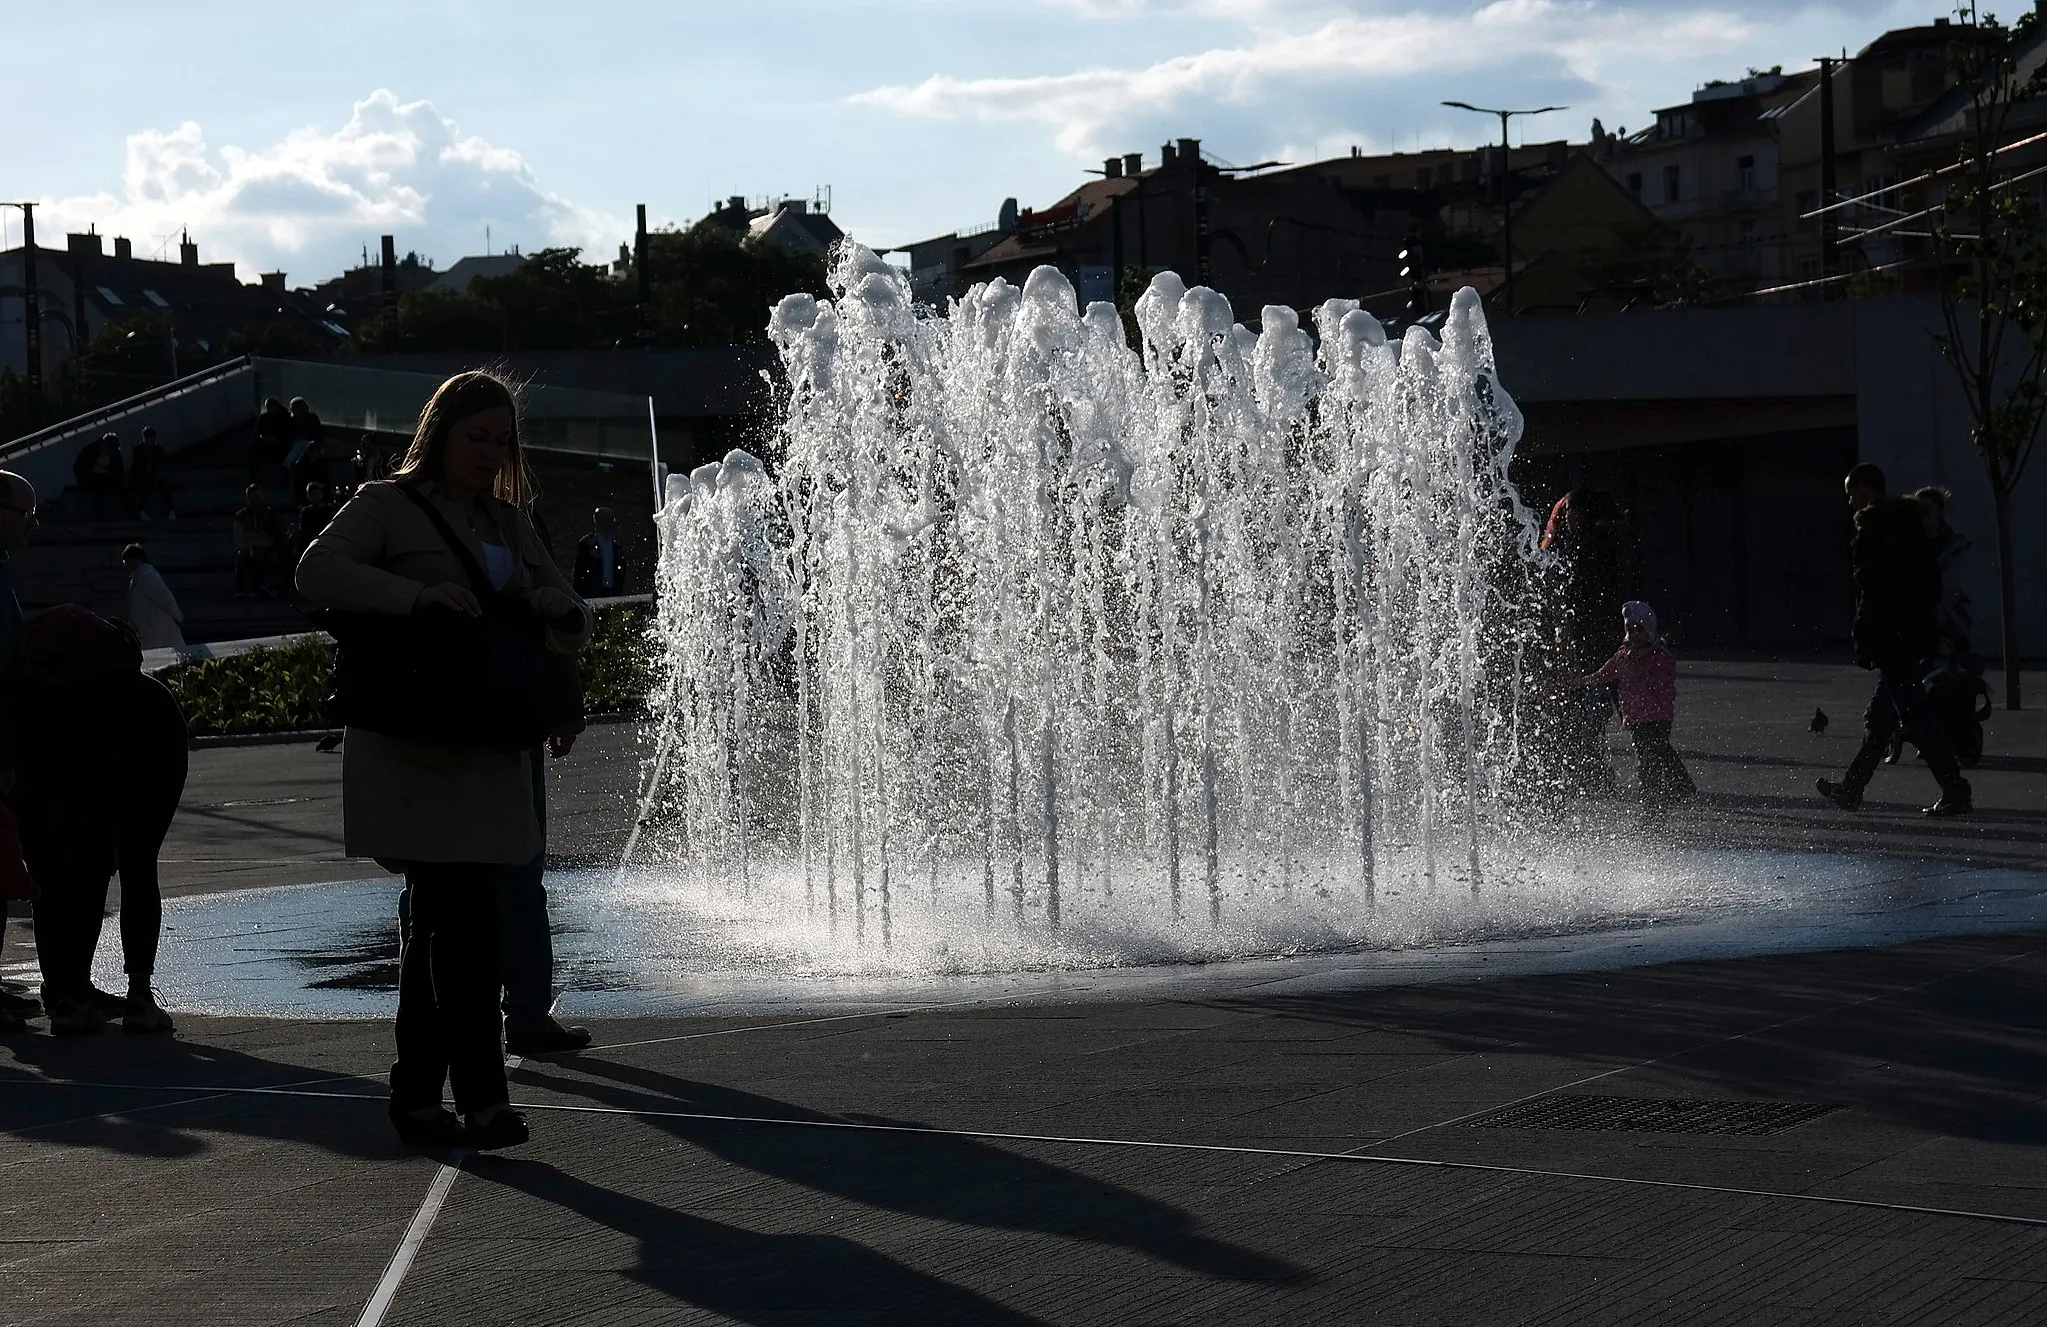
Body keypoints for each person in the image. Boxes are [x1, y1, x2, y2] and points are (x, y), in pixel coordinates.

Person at [297, 369, 593, 1151]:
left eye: (503, 440)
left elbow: (563, 610)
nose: (492, 453)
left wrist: (562, 625)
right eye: (477, 437)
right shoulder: (384, 505)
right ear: (439, 432)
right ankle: (483, 1100)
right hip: (414, 742)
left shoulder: (509, 520)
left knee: (444, 923)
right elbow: (316, 572)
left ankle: (418, 1098)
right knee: (462, 921)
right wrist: (415, 597)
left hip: (489, 739)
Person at [0, 473, 188, 1037]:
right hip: (61, 743)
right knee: (122, 866)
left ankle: (69, 993)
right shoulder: (142, 705)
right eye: (26, 510)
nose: (35, 520)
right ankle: (133, 993)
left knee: (58, 868)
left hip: (45, 743)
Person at [1817, 463, 1972, 817]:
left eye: (1851, 493)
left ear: (1865, 490)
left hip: (1891, 638)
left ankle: (1955, 790)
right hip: (1908, 634)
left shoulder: (1875, 527)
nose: (1850, 502)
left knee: (1914, 716)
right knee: (1882, 715)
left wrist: (1864, 636)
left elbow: (1871, 589)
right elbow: (1926, 582)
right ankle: (1852, 788)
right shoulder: (1909, 527)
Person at [1583, 601, 1694, 811]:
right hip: (1635, 718)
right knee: (1657, 754)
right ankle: (1676, 788)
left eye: (1639, 630)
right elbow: (1603, 675)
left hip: (1657, 717)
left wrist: (1641, 667)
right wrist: (1578, 682)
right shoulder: (1623, 656)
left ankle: (1655, 800)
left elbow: (1663, 684)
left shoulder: (1659, 656)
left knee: (1650, 759)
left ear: (1650, 630)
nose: (1634, 634)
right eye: (1630, 629)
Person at [123, 544, 185, 650]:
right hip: (148, 631)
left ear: (135, 559)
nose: (125, 564)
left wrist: (177, 615)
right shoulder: (137, 578)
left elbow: (165, 597)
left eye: (126, 561)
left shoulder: (147, 576)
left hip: (157, 629)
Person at [232, 485, 282, 599]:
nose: (255, 499)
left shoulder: (269, 514)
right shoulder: (241, 516)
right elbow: (238, 535)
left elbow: (276, 534)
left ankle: (257, 587)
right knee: (242, 556)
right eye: (252, 496)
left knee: (261, 556)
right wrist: (246, 546)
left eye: (257, 496)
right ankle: (239, 588)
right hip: (248, 546)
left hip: (265, 546)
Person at [71, 433, 129, 521]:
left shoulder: (115, 454)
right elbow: (79, 467)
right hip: (91, 479)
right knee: (98, 492)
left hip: (108, 478)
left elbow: (119, 470)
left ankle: (127, 512)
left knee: (121, 489)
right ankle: (99, 514)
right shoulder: (91, 450)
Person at [573, 507, 627, 598]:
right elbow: (578, 573)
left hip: (613, 593)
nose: (611, 523)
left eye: (612, 520)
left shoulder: (616, 545)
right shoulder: (587, 544)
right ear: (598, 521)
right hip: (592, 594)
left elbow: (622, 569)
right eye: (608, 520)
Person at [129, 426, 177, 522]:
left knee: (163, 487)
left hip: (154, 473)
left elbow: (161, 462)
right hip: (143, 474)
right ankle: (141, 511)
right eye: (149, 438)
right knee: (143, 488)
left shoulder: (158, 449)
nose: (151, 441)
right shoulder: (138, 449)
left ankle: (171, 510)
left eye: (152, 438)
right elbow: (136, 465)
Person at [249, 398, 291, 487]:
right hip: (266, 443)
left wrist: (277, 439)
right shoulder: (264, 417)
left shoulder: (285, 417)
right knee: (253, 450)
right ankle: (254, 478)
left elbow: (289, 432)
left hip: (282, 443)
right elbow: (257, 432)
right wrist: (263, 437)